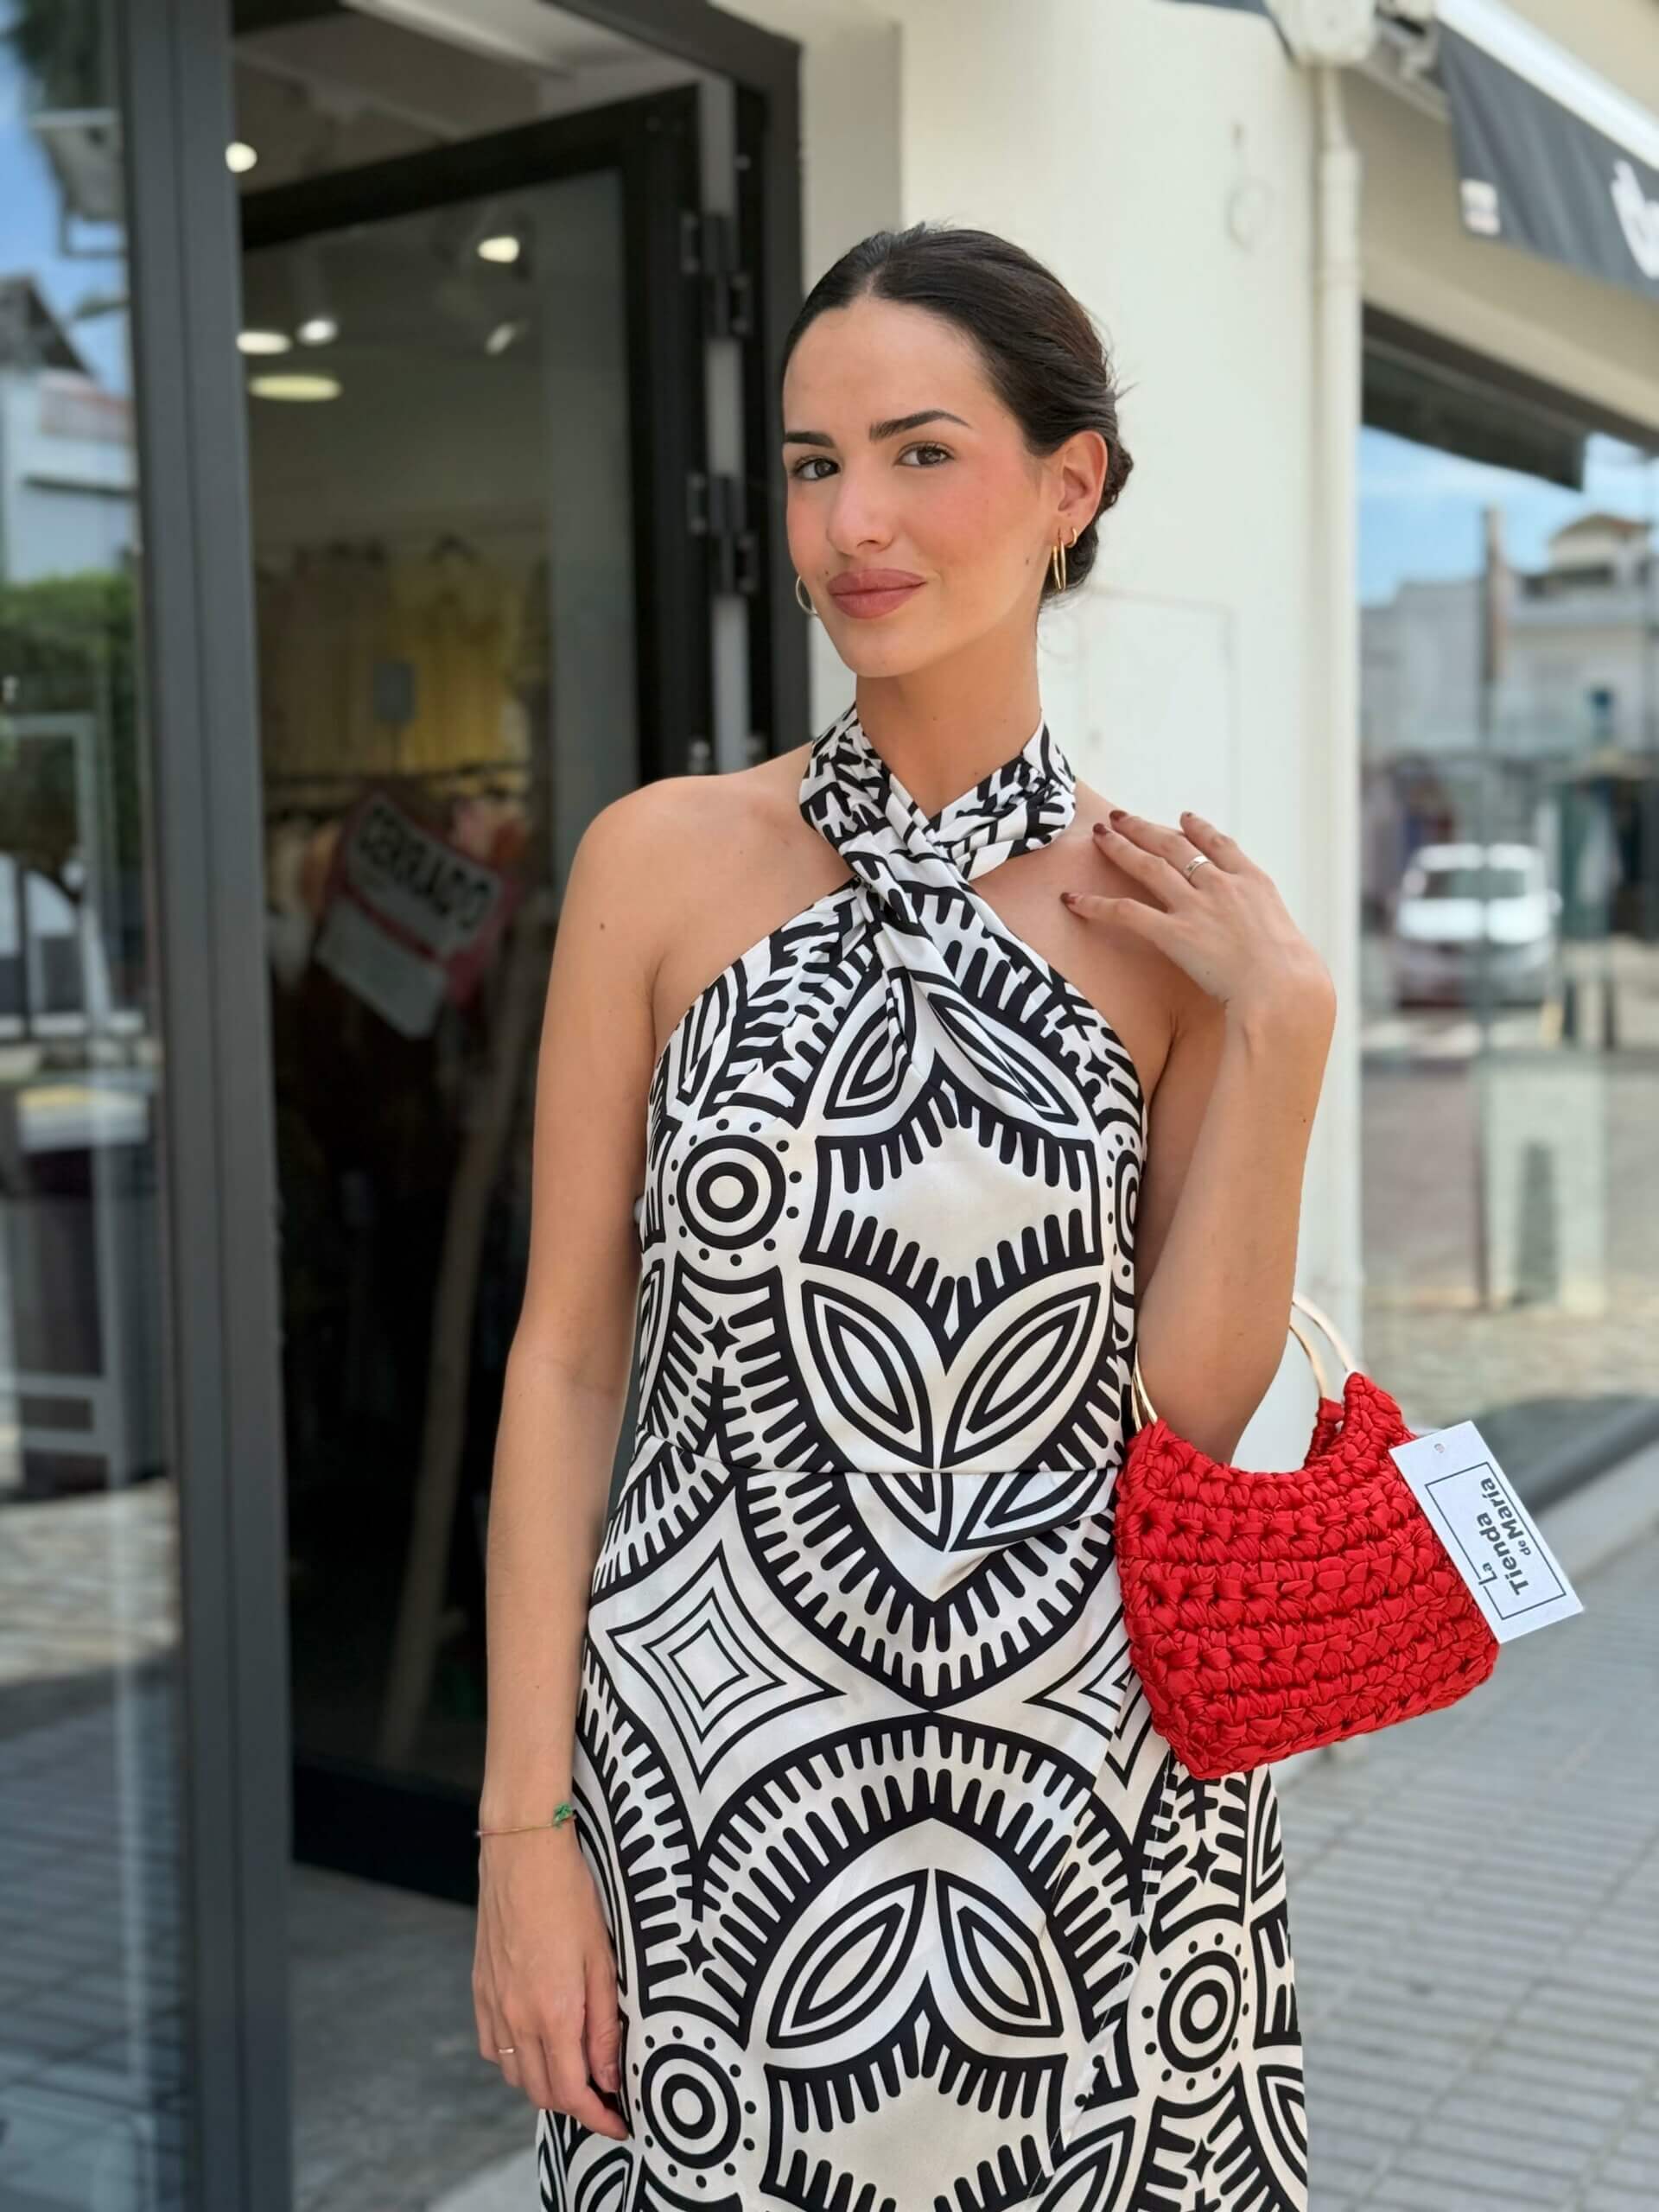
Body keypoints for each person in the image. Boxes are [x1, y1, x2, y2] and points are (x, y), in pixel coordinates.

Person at [474, 220, 1335, 2211]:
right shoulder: (660, 863)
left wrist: (1280, 1030)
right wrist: (525, 1830)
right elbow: (569, 1355)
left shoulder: (1169, 929)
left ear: (1069, 483)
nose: (851, 520)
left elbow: (1185, 1425)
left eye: (920, 451)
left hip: (1102, 1846)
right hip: (711, 1826)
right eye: (808, 460)